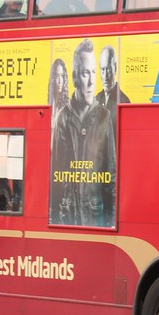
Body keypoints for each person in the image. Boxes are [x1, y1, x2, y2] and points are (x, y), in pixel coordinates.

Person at [50, 38, 117, 226]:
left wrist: (112, 221)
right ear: (74, 78)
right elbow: (55, 175)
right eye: (85, 74)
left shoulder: (104, 117)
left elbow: (111, 178)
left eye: (93, 73)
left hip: (95, 217)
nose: (91, 81)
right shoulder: (62, 118)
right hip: (67, 216)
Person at [48, 58, 70, 129]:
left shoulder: (67, 106)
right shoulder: (49, 102)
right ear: (53, 78)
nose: (60, 81)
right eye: (57, 76)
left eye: (62, 76)